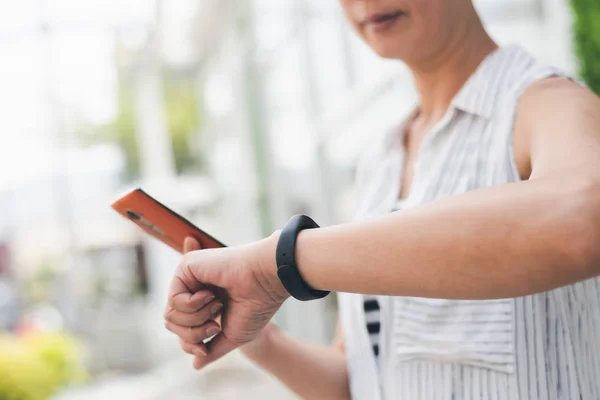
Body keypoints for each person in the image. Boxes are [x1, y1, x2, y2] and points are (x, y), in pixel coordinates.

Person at [162, 0, 600, 399]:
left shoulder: (548, 104)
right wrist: (259, 338)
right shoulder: (380, 160)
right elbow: (359, 381)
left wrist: (275, 265)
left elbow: (583, 218)